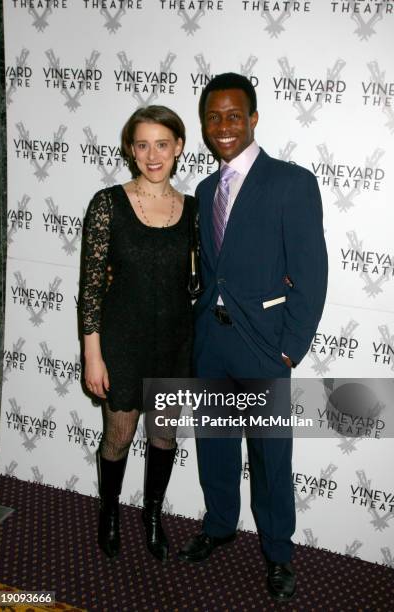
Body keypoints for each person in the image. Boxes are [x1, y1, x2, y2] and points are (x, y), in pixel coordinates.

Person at [178, 73, 328, 602]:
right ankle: (219, 526)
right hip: (211, 345)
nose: (223, 126)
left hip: (265, 346)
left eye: (233, 115)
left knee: (270, 459)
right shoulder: (202, 190)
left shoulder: (291, 182)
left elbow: (311, 274)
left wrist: (290, 348)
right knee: (215, 447)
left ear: (254, 119)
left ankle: (278, 553)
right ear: (204, 124)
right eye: (213, 117)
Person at [80, 105, 194, 562]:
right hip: (121, 342)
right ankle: (109, 513)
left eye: (162, 144)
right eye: (142, 144)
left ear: (178, 148)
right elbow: (90, 287)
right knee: (119, 436)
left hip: (174, 343)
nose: (152, 155)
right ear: (131, 149)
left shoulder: (195, 211)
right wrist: (93, 354)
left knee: (164, 436)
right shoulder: (107, 203)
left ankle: (151, 515)